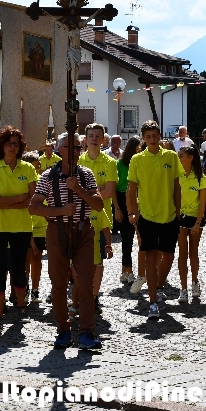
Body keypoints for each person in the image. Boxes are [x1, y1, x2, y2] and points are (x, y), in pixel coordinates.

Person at [29, 132, 104, 350]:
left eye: (79, 148)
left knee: (85, 283)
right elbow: (33, 206)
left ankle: (86, 331)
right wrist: (60, 210)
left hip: (82, 232)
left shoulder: (86, 175)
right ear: (60, 150)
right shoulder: (47, 176)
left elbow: (98, 205)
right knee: (58, 283)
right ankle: (63, 329)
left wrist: (78, 190)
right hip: (57, 231)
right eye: (72, 148)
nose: (76, 152)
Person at [126, 120, 184, 320]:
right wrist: (132, 212)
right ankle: (152, 301)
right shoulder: (137, 160)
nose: (152, 139)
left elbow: (177, 186)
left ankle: (158, 286)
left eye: (155, 136)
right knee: (150, 258)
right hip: (147, 216)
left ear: (160, 136)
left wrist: (178, 212)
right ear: (143, 138)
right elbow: (131, 189)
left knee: (168, 256)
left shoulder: (171, 156)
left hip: (169, 216)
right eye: (148, 136)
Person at [0, 126, 38, 333]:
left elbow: (32, 200)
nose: (12, 147)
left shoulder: (28, 169)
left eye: (16, 143)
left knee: (19, 269)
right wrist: (18, 198)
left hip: (22, 226)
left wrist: (5, 202)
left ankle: (21, 307)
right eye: (9, 143)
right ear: (1, 145)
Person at [78, 123, 117, 314]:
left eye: (97, 136)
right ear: (85, 139)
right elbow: (73, 192)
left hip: (101, 218)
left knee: (98, 262)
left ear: (103, 140)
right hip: (80, 217)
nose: (94, 139)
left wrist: (86, 192)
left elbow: (109, 192)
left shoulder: (110, 163)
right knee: (78, 262)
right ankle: (81, 295)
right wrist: (95, 192)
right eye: (90, 135)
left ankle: (94, 297)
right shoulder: (78, 162)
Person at [176, 144, 206, 303]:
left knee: (193, 252)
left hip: (195, 218)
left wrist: (198, 222)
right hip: (181, 217)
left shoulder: (200, 176)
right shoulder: (177, 175)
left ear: (190, 157)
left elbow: (203, 203)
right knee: (182, 253)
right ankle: (183, 288)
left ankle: (195, 282)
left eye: (181, 155)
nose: (178, 158)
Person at [115, 136, 140, 285]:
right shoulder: (120, 164)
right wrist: (117, 208)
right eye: (138, 148)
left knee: (139, 238)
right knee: (127, 239)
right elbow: (115, 188)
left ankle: (125, 270)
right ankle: (129, 270)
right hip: (123, 200)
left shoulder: (141, 163)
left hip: (138, 200)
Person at [23, 151, 46, 303]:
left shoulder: (43, 181)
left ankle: (35, 289)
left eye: (37, 166)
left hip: (40, 227)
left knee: (37, 260)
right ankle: (24, 288)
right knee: (25, 261)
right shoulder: (22, 183)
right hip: (24, 227)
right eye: (33, 166)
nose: (36, 170)